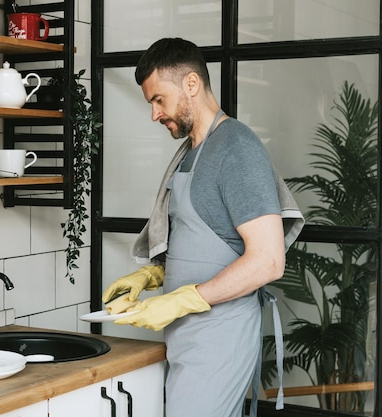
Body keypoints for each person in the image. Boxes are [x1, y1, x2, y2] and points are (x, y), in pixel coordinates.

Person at [101, 38, 304, 417]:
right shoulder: (192, 152)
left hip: (219, 339)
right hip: (188, 338)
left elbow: (268, 262)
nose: (154, 114)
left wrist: (182, 299)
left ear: (191, 84)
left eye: (158, 100)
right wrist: (152, 275)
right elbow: (203, 244)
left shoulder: (236, 149)